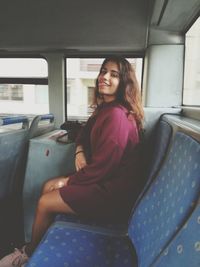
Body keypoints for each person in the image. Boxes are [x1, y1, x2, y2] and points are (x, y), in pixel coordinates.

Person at [0, 56, 144, 267]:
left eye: (113, 75)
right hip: (103, 180)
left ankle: (28, 254)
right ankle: (40, 243)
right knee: (48, 185)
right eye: (103, 71)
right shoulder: (105, 109)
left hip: (112, 193)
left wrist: (69, 181)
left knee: (44, 202)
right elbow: (85, 133)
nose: (104, 77)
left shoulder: (117, 117)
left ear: (124, 82)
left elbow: (104, 168)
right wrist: (79, 150)